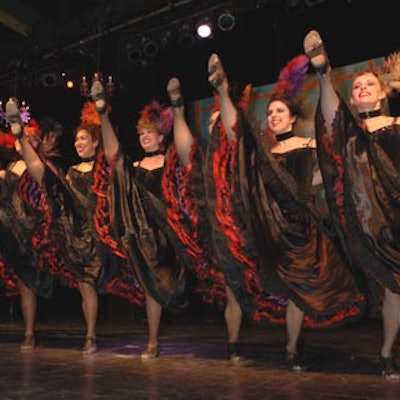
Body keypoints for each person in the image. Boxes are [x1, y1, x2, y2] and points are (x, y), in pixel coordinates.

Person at [165, 54, 289, 361]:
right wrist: (179, 111)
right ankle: (233, 345)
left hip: (243, 222)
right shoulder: (204, 161)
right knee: (232, 290)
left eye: (219, 121)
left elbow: (233, 134)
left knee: (265, 285)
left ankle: (291, 347)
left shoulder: (239, 148)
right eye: (212, 123)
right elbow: (187, 153)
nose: (215, 127)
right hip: (214, 224)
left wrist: (222, 92)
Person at [252, 54, 366, 370]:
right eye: (270, 112)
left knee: (307, 288)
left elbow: (325, 176)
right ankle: (291, 348)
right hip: (276, 232)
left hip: (306, 228)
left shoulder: (309, 145)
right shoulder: (264, 156)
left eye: (279, 111)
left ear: (292, 117)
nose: (273, 116)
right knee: (292, 292)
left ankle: (292, 348)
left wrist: (310, 193)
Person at [303, 29, 400, 379]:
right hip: (372, 224)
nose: (360, 90)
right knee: (394, 288)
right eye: (356, 87)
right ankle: (323, 71)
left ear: (384, 93)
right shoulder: (349, 138)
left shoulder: (397, 125)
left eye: (368, 86)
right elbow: (325, 170)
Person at [90, 81, 187, 360]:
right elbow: (113, 158)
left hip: (170, 237)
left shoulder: (171, 162)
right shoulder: (133, 169)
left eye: (150, 132)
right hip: (144, 240)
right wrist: (103, 115)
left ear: (161, 136)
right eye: (141, 133)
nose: (145, 136)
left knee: (167, 287)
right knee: (150, 290)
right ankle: (153, 341)